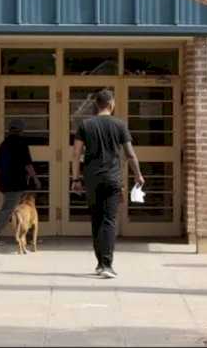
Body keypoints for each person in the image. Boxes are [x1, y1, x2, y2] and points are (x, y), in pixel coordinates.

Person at [71, 90, 143, 279]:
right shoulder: (120, 125)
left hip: (92, 179)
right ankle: (107, 265)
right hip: (112, 178)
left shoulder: (85, 125)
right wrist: (138, 175)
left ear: (96, 104)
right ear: (111, 104)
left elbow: (76, 154)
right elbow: (130, 154)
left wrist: (76, 179)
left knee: (96, 219)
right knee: (109, 221)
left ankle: (100, 263)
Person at [0, 119, 41, 246]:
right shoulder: (21, 143)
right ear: (21, 130)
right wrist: (35, 179)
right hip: (17, 182)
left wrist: (0, 181)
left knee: (22, 210)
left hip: (6, 182)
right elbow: (28, 164)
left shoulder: (4, 144)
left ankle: (27, 238)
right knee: (8, 209)